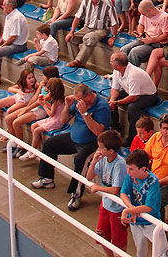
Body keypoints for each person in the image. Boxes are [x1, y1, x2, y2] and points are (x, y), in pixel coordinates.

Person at [32, 83, 111, 212]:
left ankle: (76, 194)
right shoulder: (79, 102)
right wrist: (67, 106)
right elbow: (64, 120)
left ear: (89, 96)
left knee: (80, 160)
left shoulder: (102, 106)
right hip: (74, 136)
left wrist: (85, 114)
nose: (78, 102)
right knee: (50, 144)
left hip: (91, 142)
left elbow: (99, 131)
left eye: (80, 99)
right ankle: (47, 179)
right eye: (77, 99)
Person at [86, 130, 128, 257]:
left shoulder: (120, 164)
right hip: (105, 205)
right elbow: (89, 177)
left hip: (117, 209)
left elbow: (115, 190)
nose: (98, 150)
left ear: (110, 151)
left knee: (118, 242)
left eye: (101, 148)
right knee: (101, 235)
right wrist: (94, 161)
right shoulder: (102, 158)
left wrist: (97, 188)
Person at [120, 150, 168, 257]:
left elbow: (149, 207)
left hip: (151, 222)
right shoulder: (130, 176)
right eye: (127, 168)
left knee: (162, 250)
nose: (128, 172)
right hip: (135, 220)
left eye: (131, 169)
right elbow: (123, 193)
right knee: (140, 250)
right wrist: (131, 208)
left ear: (142, 169)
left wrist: (128, 210)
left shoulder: (153, 181)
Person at [108, 52, 160, 147]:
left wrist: (117, 103)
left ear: (117, 65)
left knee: (133, 107)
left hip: (149, 95)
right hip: (132, 92)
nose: (110, 63)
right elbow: (115, 89)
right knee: (110, 99)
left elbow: (133, 97)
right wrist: (112, 101)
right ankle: (115, 126)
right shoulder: (117, 71)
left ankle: (132, 137)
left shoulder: (133, 75)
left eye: (111, 61)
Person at [66, 0, 118, 68]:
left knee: (89, 37)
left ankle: (79, 61)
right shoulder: (85, 2)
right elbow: (77, 18)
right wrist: (71, 32)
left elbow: (114, 22)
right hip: (87, 27)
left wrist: (113, 36)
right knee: (71, 39)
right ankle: (78, 63)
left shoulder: (108, 4)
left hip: (102, 29)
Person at [121, 0, 168, 66]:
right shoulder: (145, 13)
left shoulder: (164, 17)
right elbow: (141, 24)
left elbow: (165, 35)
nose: (143, 15)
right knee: (124, 49)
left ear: (149, 10)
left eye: (144, 14)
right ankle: (121, 70)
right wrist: (140, 33)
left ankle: (131, 71)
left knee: (134, 52)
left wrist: (151, 40)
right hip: (145, 39)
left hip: (157, 43)